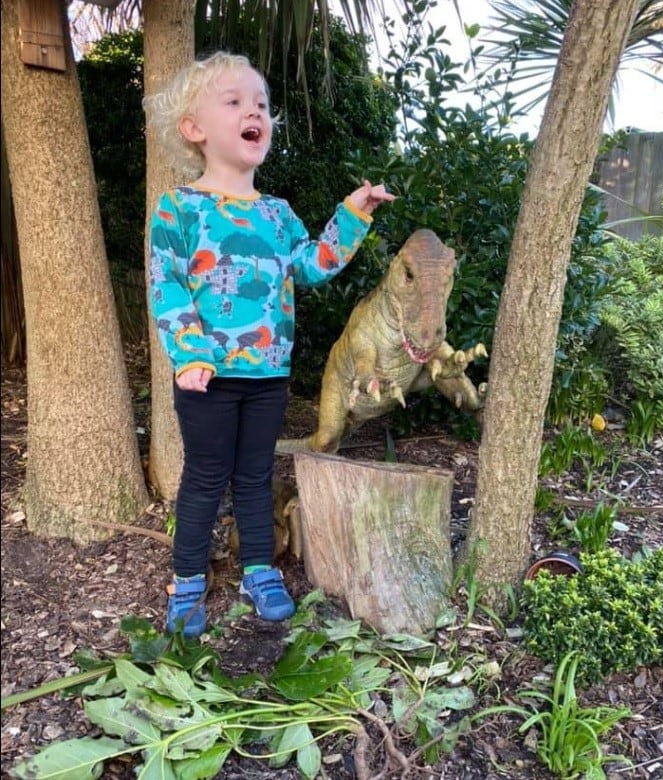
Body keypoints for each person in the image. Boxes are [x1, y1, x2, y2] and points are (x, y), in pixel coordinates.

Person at [143, 51, 395, 638]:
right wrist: (189, 353)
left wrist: (351, 215)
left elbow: (311, 265)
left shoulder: (278, 215)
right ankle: (185, 581)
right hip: (204, 375)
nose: (253, 110)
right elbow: (167, 284)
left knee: (255, 476)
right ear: (195, 130)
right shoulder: (179, 207)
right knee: (205, 477)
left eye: (260, 103)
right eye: (233, 101)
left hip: (267, 374)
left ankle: (259, 569)